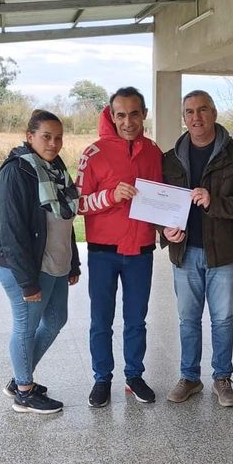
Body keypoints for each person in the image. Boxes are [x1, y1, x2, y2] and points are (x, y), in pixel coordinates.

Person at [162, 90, 233, 407]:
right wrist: (164, 230)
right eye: (189, 111)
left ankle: (222, 379)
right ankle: (190, 378)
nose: (196, 117)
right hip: (185, 252)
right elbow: (158, 205)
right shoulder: (170, 158)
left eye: (202, 110)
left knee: (222, 320)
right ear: (184, 117)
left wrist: (213, 201)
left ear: (215, 113)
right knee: (188, 320)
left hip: (226, 254)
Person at [0, 109, 80, 414]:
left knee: (55, 320)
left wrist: (74, 262)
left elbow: (65, 220)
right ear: (30, 136)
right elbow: (12, 228)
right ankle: (24, 393)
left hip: (55, 261)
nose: (53, 143)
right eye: (46, 137)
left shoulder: (56, 169)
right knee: (26, 326)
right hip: (24, 266)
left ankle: (19, 378)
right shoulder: (16, 171)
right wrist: (27, 282)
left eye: (58, 138)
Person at [76, 86, 162, 407]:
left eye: (134, 114)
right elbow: (77, 203)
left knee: (136, 319)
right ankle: (102, 378)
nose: (128, 121)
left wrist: (169, 225)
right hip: (103, 252)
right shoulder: (93, 153)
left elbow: (159, 199)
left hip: (141, 251)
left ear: (144, 115)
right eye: (121, 115)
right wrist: (111, 196)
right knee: (101, 320)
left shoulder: (153, 151)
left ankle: (134, 375)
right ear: (112, 116)